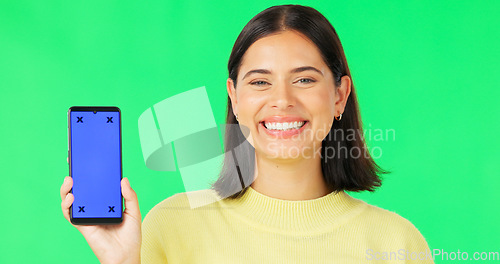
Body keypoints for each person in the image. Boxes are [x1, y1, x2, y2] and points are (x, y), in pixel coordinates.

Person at [61, 4, 434, 264]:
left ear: (339, 95)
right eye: (260, 82)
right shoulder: (171, 224)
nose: (282, 100)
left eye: (304, 79)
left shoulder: (397, 243)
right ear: (235, 98)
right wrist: (123, 262)